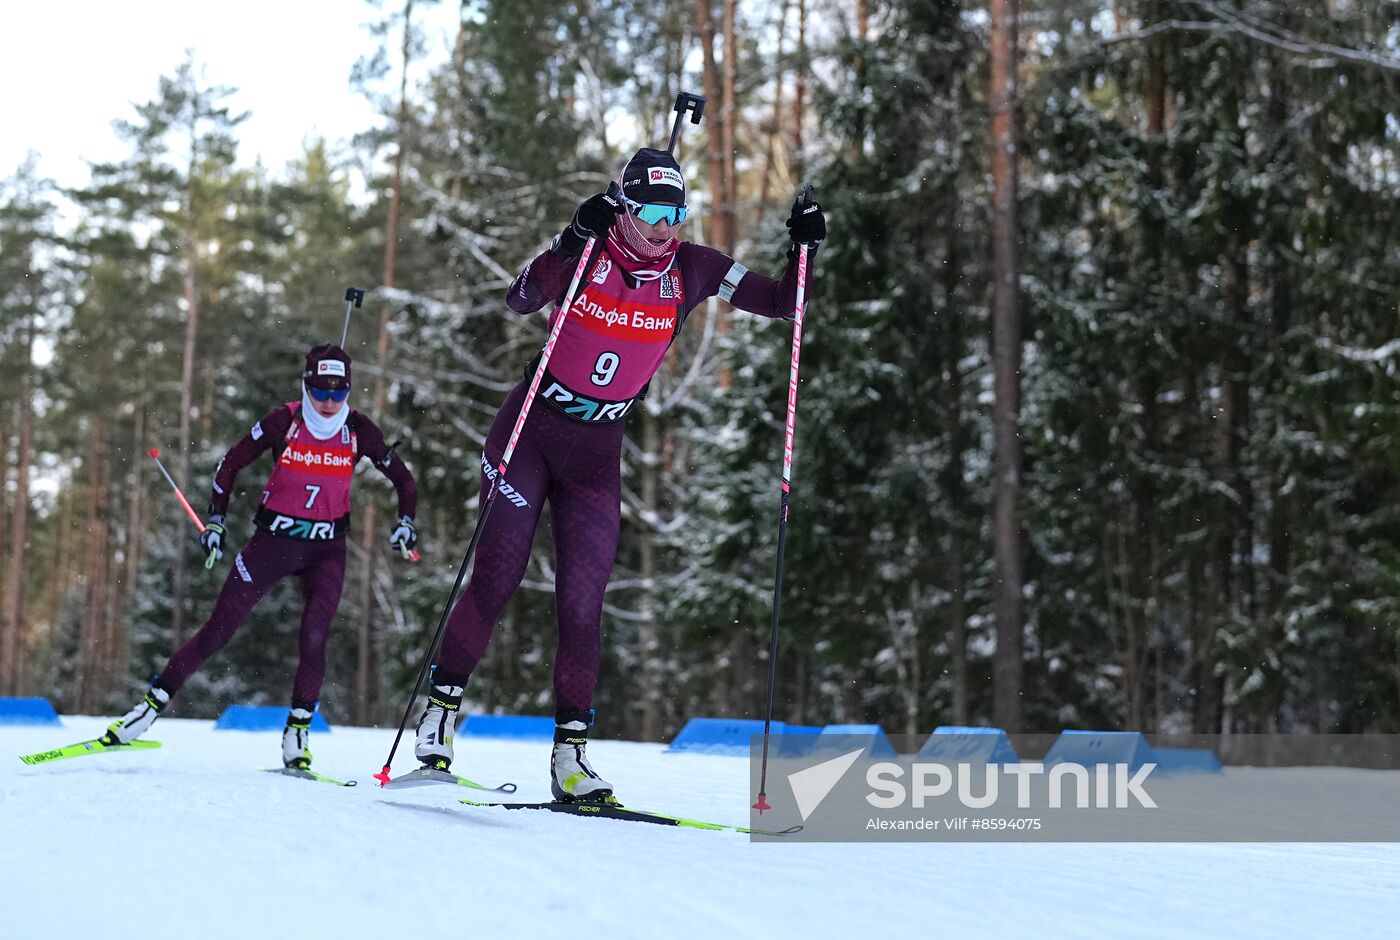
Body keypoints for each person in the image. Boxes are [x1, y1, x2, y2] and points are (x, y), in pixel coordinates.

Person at [413, 146, 826, 802]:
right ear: (626, 209)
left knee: (583, 603)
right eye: (653, 213)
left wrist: (803, 252)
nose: (667, 228)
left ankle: (571, 759)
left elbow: (781, 303)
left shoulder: (692, 268)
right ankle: (437, 716)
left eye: (677, 212)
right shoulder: (589, 252)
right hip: (531, 428)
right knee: (499, 574)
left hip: (597, 449)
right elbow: (521, 297)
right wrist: (572, 236)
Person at [104, 344, 420, 769]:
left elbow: (404, 481)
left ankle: (298, 734)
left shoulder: (360, 430)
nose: (328, 403)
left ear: (349, 390)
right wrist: (217, 521)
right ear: (306, 385)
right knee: (218, 630)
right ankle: (145, 712)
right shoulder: (284, 421)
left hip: (327, 551)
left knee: (313, 638)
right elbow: (230, 464)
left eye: (339, 393)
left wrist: (406, 522)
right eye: (320, 391)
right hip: (272, 543)